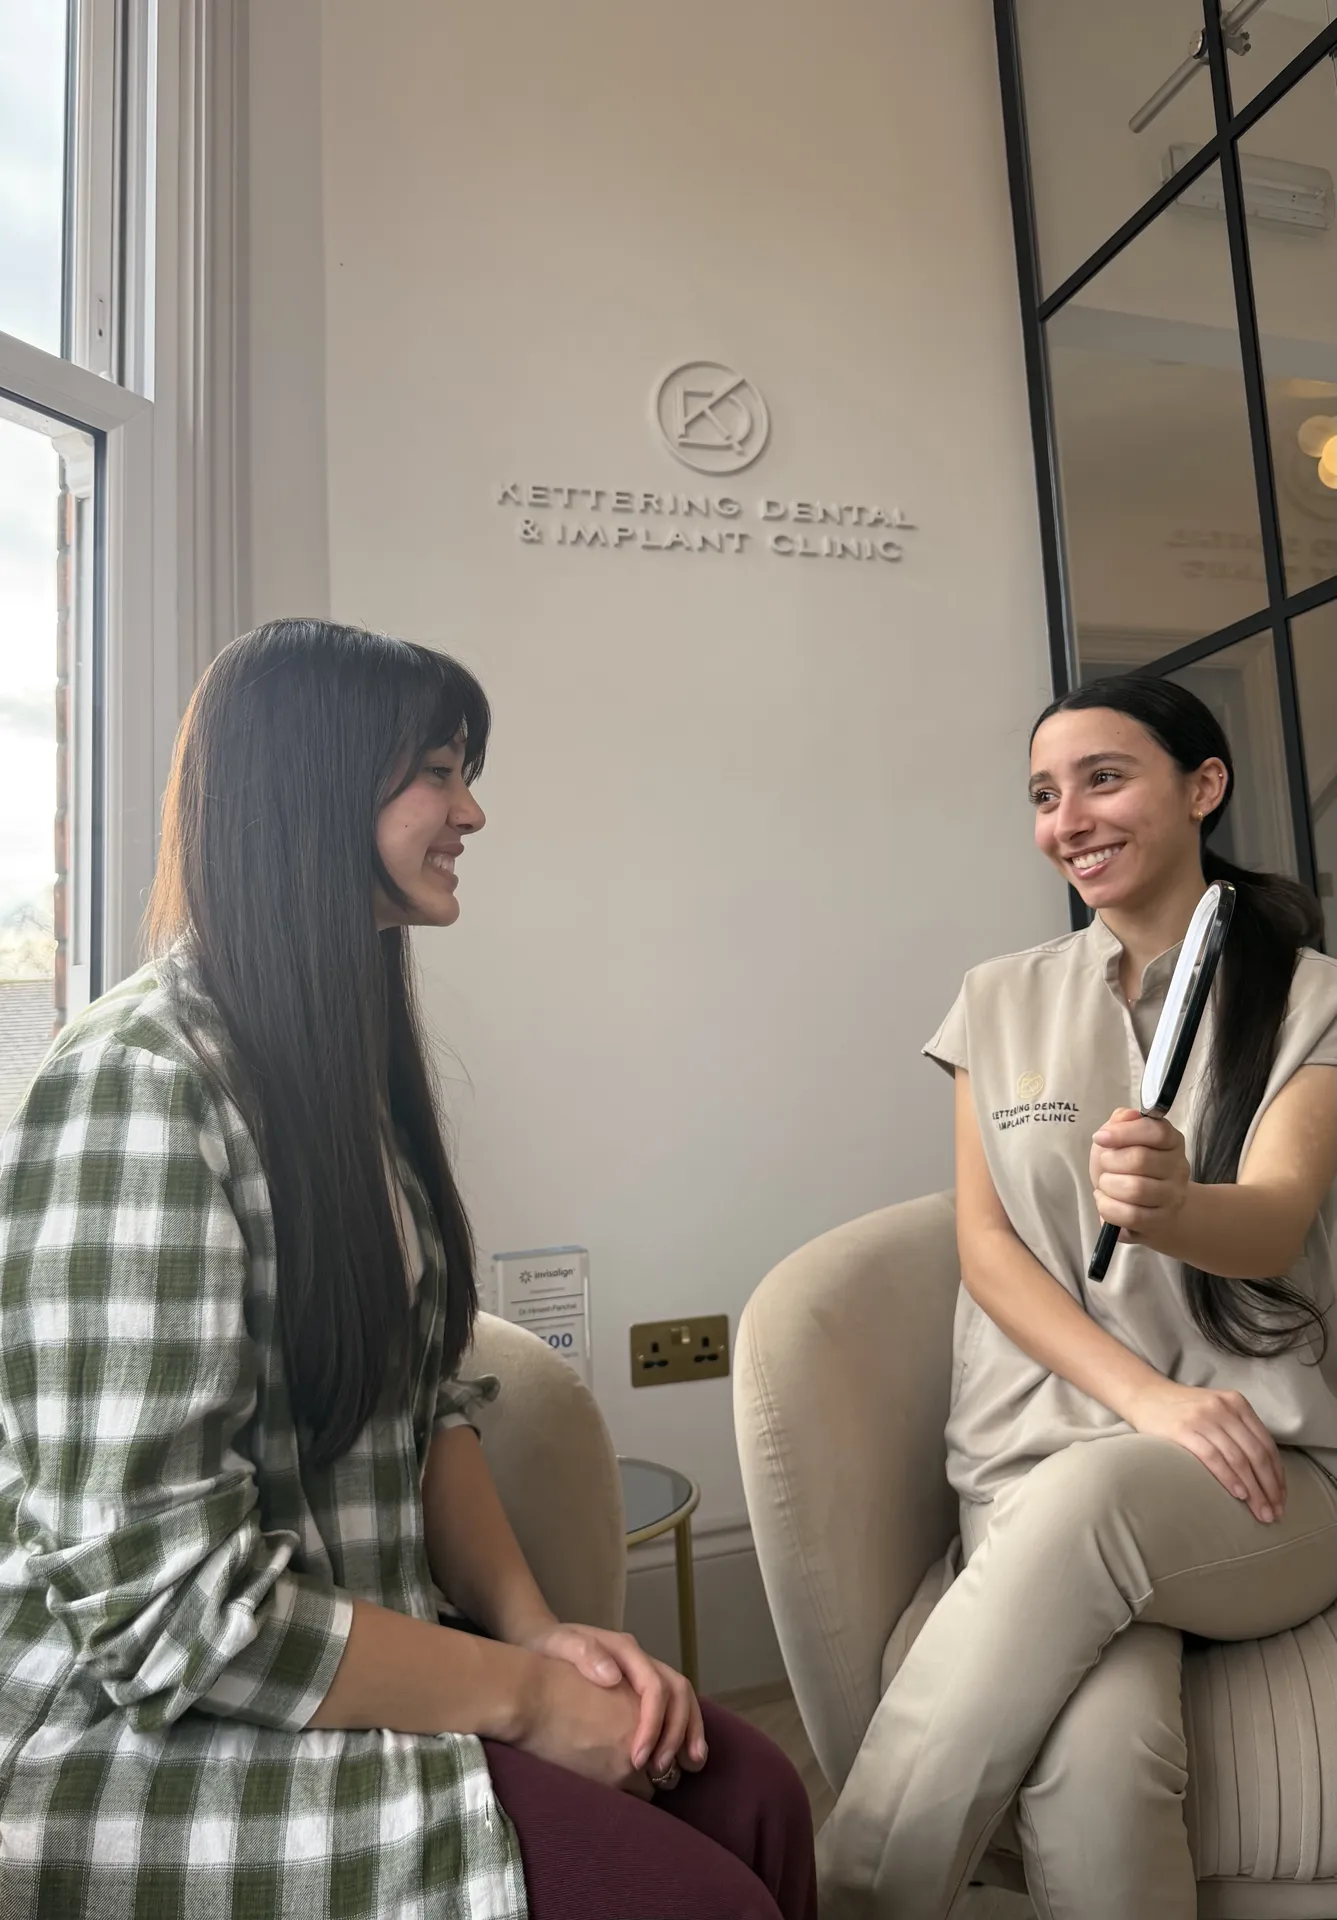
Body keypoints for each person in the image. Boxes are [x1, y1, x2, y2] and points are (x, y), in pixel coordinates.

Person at [0, 619, 817, 1920]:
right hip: (167, 1727)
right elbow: (160, 1604)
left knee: (759, 1795)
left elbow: (427, 1401)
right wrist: (531, 1700)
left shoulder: (344, 1074)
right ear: (316, 789)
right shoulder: (137, 1086)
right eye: (436, 770)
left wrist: (541, 1635)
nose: (472, 810)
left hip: (367, 1661)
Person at [818, 674, 1337, 1920]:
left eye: (1102, 778)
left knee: (1095, 1499)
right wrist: (1144, 1401)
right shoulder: (996, 1000)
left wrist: (1172, 1207)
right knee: (1096, 1761)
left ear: (1200, 787)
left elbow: (1272, 1216)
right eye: (1043, 796)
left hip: (1256, 1474)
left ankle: (839, 1896)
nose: (1067, 820)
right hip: (1039, 1454)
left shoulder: (1308, 996)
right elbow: (988, 1252)